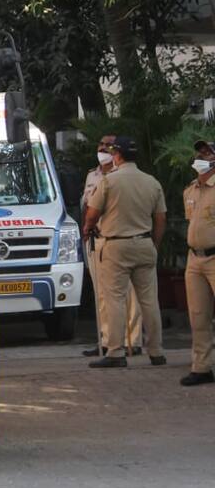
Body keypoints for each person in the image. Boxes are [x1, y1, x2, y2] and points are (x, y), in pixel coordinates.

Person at [83, 136, 167, 368]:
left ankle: (116, 352)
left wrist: (88, 227)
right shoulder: (152, 182)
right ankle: (156, 351)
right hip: (144, 243)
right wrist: (154, 244)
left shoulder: (109, 182)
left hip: (116, 245)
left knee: (115, 300)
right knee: (149, 301)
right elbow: (161, 219)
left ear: (117, 155)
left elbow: (92, 214)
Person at [81, 134, 143, 357]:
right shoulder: (92, 175)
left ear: (117, 152)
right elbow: (86, 206)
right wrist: (86, 231)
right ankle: (107, 340)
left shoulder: (124, 175)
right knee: (102, 293)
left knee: (129, 293)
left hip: (119, 238)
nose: (103, 148)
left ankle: (132, 341)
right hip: (96, 239)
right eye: (101, 144)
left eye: (108, 146)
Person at [180, 138, 215, 386]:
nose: (201, 156)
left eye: (207, 152)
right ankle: (202, 367)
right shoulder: (190, 190)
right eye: (199, 152)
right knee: (198, 316)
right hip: (195, 259)